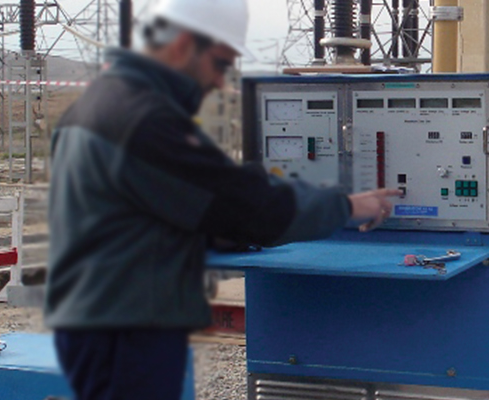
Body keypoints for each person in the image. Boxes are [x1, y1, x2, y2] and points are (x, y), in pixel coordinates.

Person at [43, 0, 401, 398]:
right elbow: (248, 206)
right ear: (182, 44)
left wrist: (218, 229)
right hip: (124, 332)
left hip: (96, 318)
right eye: (218, 64)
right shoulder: (141, 119)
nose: (218, 81)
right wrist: (348, 206)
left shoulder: (100, 102)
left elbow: (151, 208)